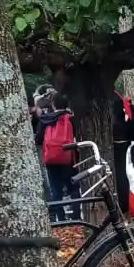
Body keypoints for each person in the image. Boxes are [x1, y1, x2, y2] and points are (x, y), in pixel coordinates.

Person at [36, 92, 80, 222]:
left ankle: (60, 219)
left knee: (56, 191)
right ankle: (76, 217)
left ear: (53, 104)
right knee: (74, 188)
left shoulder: (46, 120)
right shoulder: (71, 118)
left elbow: (38, 139)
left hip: (51, 160)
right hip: (68, 158)